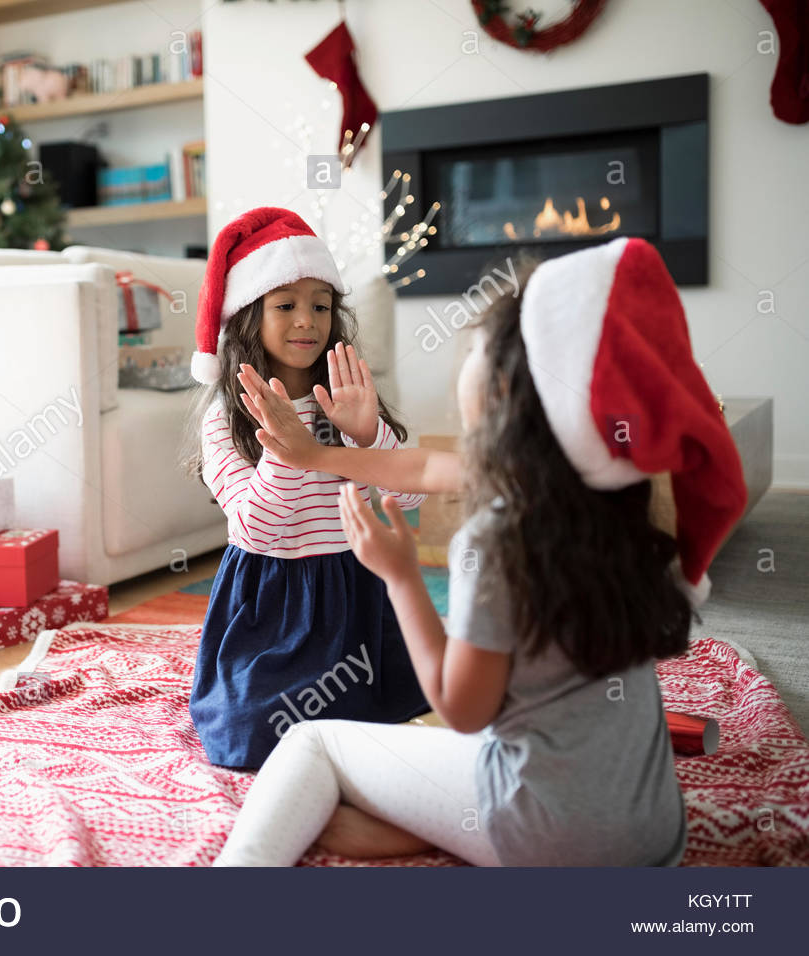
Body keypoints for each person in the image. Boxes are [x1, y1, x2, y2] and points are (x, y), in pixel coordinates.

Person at [216, 237, 747, 865]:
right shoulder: (616, 501)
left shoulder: (494, 544)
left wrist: (403, 578)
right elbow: (425, 465)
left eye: (475, 348)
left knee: (310, 744)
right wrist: (320, 455)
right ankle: (427, 824)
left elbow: (463, 711)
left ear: (501, 390)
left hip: (543, 840)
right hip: (656, 836)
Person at [184, 206, 429, 771]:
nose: (307, 321)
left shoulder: (345, 401)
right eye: (286, 305)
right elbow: (254, 527)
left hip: (354, 594)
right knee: (252, 735)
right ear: (249, 315)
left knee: (377, 717)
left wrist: (368, 435)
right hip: (272, 603)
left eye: (321, 305)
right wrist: (286, 452)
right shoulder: (226, 417)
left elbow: (409, 498)